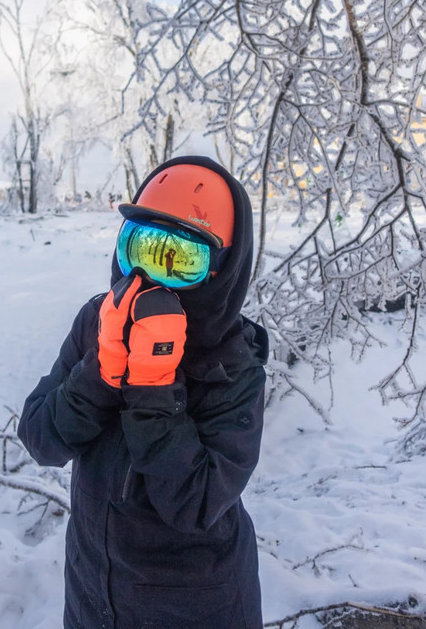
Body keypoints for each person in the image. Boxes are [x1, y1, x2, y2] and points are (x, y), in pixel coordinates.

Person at [18, 155, 269, 629]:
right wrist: (99, 373)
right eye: (143, 248)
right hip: (93, 593)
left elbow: (195, 504)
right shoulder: (98, 324)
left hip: (198, 608)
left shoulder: (233, 368)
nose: (152, 279)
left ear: (222, 271)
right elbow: (41, 439)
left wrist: (154, 390)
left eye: (181, 262)